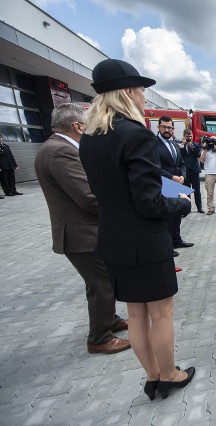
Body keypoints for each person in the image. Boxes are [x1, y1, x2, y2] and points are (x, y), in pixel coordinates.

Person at [79, 59, 195, 400]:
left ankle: (152, 376)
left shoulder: (90, 138)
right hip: (144, 241)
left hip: (113, 241)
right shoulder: (136, 134)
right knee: (161, 314)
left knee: (136, 315)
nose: (145, 96)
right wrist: (182, 204)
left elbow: (117, 187)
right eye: (142, 89)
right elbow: (149, 203)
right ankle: (170, 375)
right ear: (128, 91)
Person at [34, 103, 130, 355]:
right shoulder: (60, 152)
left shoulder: (58, 148)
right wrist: (125, 205)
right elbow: (87, 196)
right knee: (102, 283)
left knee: (99, 281)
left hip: (84, 231)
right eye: (89, 123)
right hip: (81, 233)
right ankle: (100, 338)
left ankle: (109, 321)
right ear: (77, 126)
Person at [156, 116, 193, 255]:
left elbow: (181, 163)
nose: (167, 130)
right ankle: (167, 246)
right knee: (167, 216)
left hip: (178, 182)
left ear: (173, 129)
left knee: (177, 213)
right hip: (164, 183)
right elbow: (155, 166)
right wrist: (172, 177)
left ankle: (176, 240)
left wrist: (182, 175)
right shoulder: (154, 144)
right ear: (158, 127)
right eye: (164, 127)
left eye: (169, 127)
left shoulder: (174, 144)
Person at [180, 128, 204, 214]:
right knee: (186, 191)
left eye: (191, 136)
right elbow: (179, 156)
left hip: (194, 170)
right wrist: (182, 145)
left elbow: (198, 154)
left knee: (197, 190)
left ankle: (199, 207)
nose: (189, 138)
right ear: (184, 136)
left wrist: (192, 148)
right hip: (185, 171)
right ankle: (188, 208)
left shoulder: (196, 144)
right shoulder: (180, 145)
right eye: (187, 136)